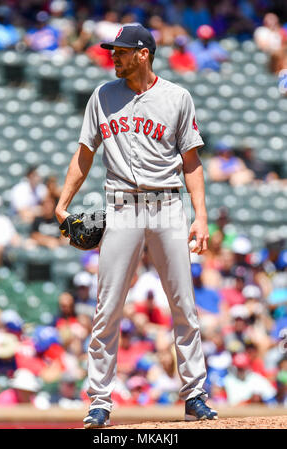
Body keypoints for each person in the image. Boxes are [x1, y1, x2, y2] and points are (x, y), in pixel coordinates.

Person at [55, 24, 218, 427]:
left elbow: (191, 161)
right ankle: (99, 400)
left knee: (183, 305)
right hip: (121, 206)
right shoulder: (102, 95)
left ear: (143, 54)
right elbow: (84, 154)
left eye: (122, 51)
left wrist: (201, 216)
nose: (114, 56)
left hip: (166, 205)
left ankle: (195, 394)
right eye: (114, 50)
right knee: (107, 307)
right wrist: (63, 203)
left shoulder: (177, 97)